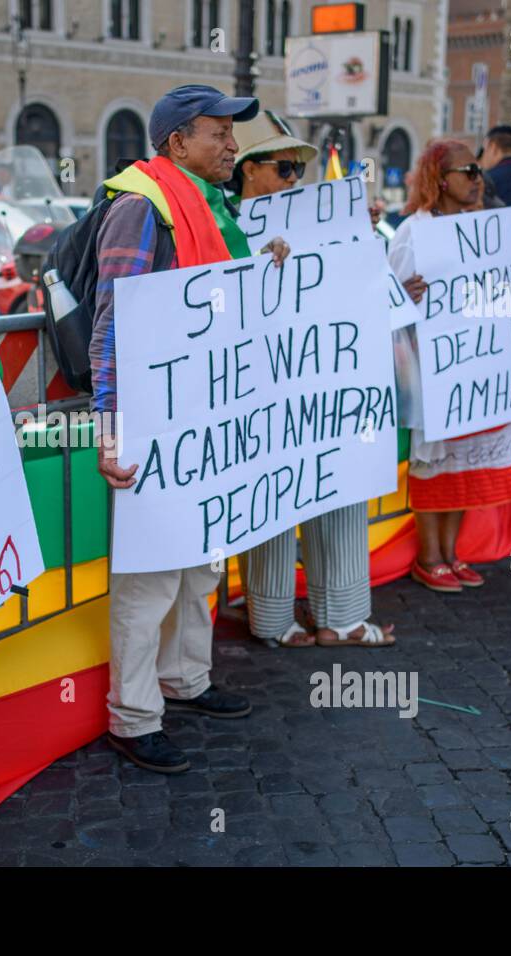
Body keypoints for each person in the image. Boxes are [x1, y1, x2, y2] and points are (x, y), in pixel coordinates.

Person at [89, 85, 289, 775]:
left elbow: (222, 300)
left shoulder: (212, 206)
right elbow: (113, 321)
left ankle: (186, 680)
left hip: (207, 419)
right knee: (148, 581)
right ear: (177, 142)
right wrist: (110, 429)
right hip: (153, 421)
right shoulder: (139, 207)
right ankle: (134, 716)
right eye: (219, 134)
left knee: (202, 564)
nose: (233, 146)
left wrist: (270, 271)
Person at [228, 111, 394, 649]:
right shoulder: (226, 227)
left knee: (339, 487)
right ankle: (272, 619)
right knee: (273, 496)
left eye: (300, 170)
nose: (295, 180)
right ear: (250, 171)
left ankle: (341, 616)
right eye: (284, 168)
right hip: (264, 387)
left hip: (328, 386)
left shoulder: (325, 223)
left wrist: (363, 240)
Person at [388, 139, 511, 593]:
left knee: (462, 468)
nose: (479, 180)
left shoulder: (482, 231)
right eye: (469, 172)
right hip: (431, 374)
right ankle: (429, 557)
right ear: (440, 180)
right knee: (435, 465)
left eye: (480, 171)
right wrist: (405, 295)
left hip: (471, 371)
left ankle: (453, 553)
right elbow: (390, 298)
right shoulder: (412, 232)